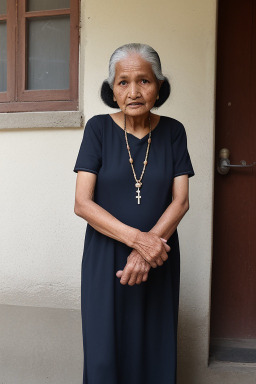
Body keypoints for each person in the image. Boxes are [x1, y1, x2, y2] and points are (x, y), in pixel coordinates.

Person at [73, 43, 195, 384]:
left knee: (153, 350)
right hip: (106, 257)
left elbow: (181, 201)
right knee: (103, 354)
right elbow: (82, 202)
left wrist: (147, 249)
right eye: (123, 82)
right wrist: (139, 241)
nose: (134, 91)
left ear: (159, 86)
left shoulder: (173, 131)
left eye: (144, 80)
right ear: (113, 90)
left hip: (159, 256)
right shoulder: (97, 129)